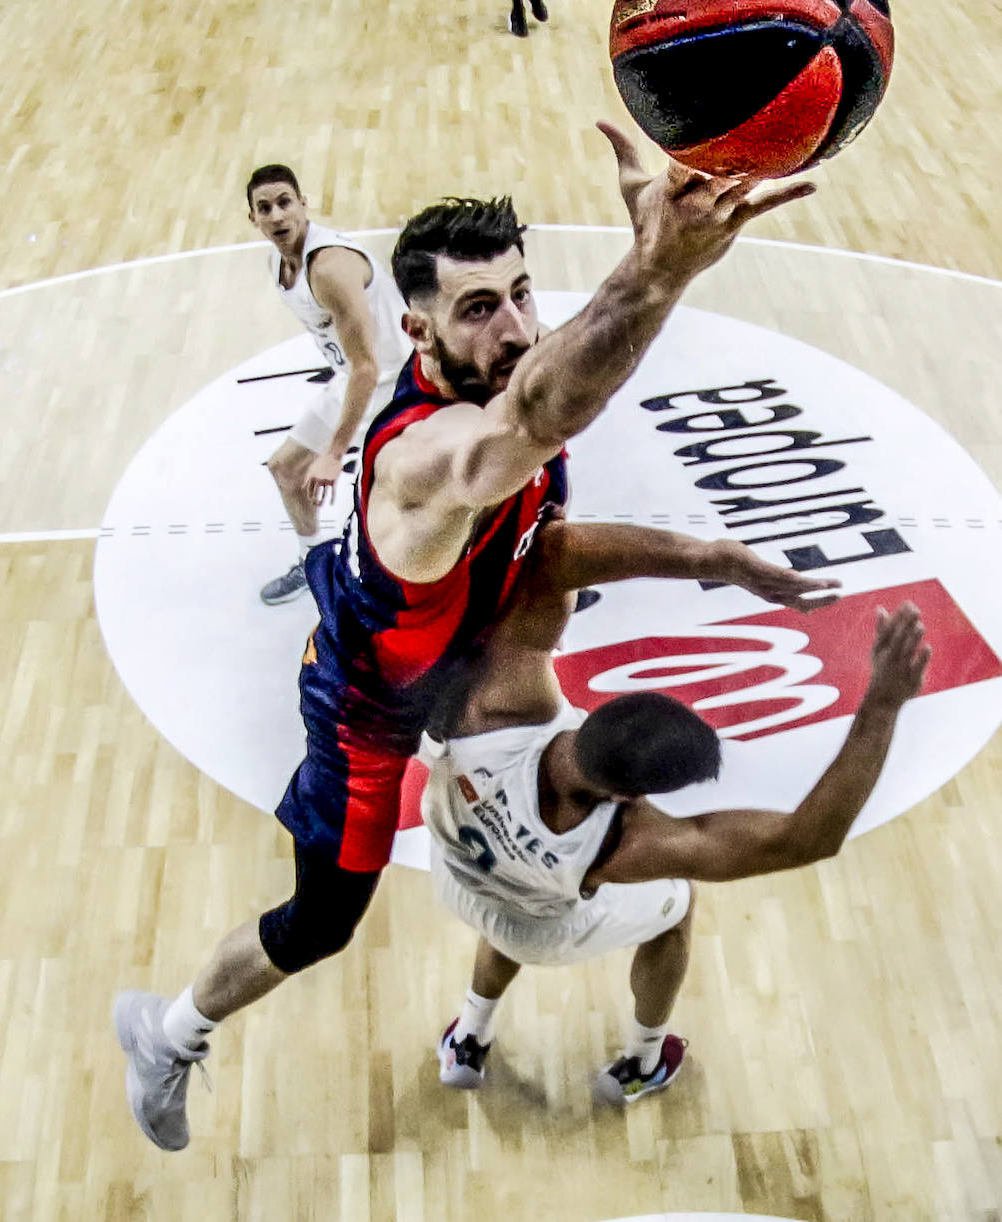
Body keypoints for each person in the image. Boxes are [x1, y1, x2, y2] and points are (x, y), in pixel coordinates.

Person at [113, 124, 814, 1150]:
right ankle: (167, 1037)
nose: (516, 326)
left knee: (564, 744)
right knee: (322, 923)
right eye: (478, 309)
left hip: (454, 657)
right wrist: (659, 265)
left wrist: (708, 556)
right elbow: (540, 414)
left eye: (523, 293)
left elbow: (554, 531)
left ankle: (480, 1006)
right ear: (419, 328)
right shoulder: (432, 456)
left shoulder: (501, 395)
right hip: (367, 709)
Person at [424, 519, 928, 1103]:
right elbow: (804, 839)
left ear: (605, 710)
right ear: (630, 798)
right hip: (534, 923)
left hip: (457, 875)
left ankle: (470, 1035)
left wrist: (715, 559)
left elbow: (554, 555)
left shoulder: (497, 705)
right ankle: (642, 1060)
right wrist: (883, 705)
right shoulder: (624, 846)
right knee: (677, 903)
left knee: (513, 891)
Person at [246, 164, 412, 604]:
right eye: (265, 208)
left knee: (397, 504)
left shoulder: (330, 267)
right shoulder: (278, 262)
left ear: (304, 204)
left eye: (285, 202)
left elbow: (367, 367)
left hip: (398, 384)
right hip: (355, 379)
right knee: (286, 469)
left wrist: (334, 453)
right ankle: (313, 560)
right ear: (254, 219)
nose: (277, 215)